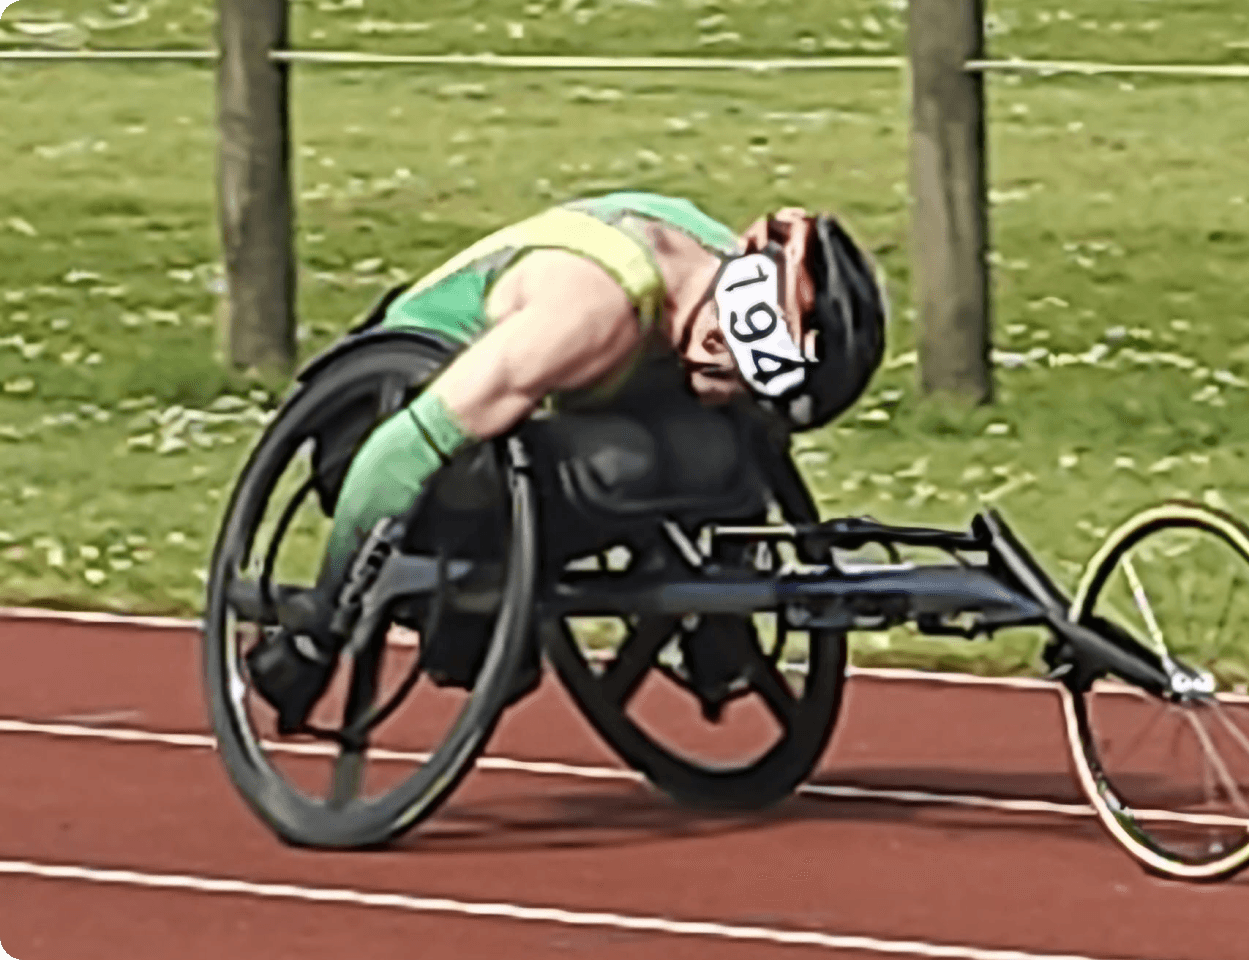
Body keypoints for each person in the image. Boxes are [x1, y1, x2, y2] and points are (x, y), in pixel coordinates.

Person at [247, 190, 887, 732]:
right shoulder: (588, 315)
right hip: (379, 422)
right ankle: (474, 603)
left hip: (529, 418)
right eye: (755, 380)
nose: (749, 395)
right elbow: (398, 453)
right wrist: (322, 626)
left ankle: (700, 623)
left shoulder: (716, 274)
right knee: (626, 462)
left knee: (721, 449)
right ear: (730, 330)